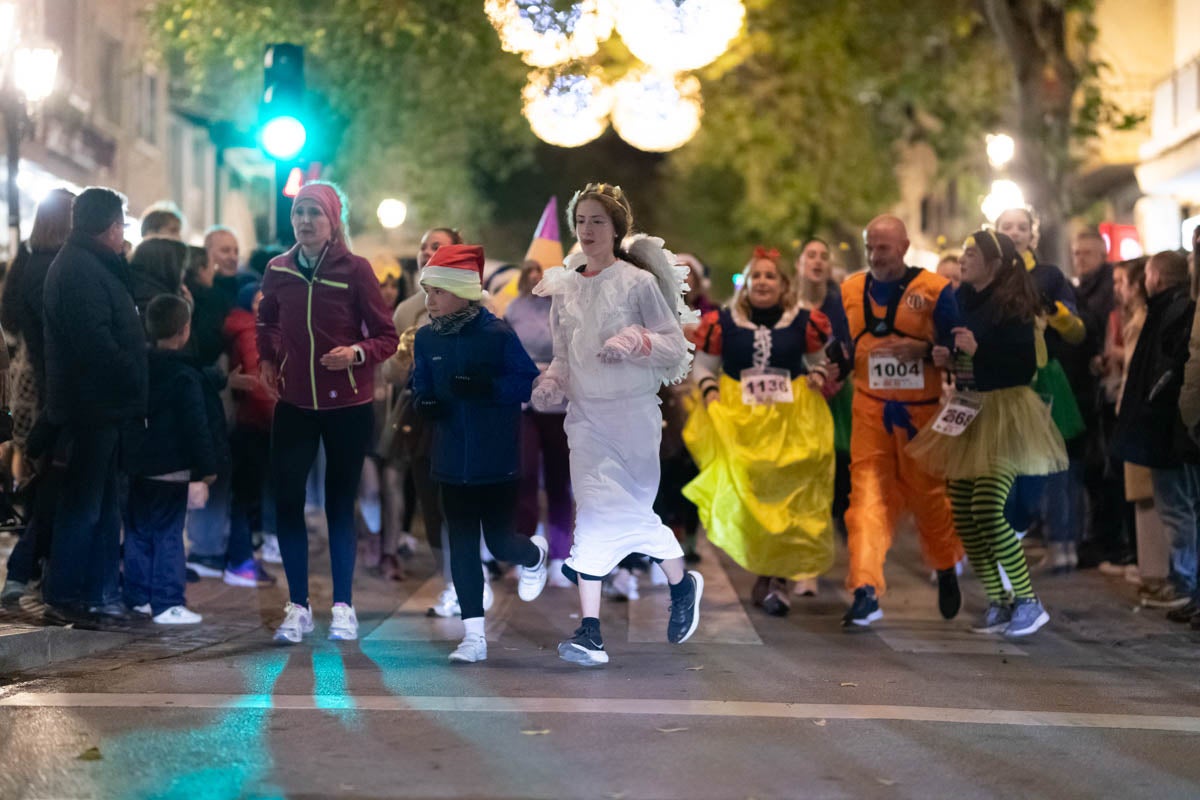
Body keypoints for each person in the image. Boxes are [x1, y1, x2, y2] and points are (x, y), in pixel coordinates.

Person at [531, 182, 702, 666]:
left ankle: (680, 581)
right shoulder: (563, 287)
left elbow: (674, 345)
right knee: (593, 510)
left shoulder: (637, 283)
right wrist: (551, 383)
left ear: (616, 228)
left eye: (597, 221)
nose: (587, 230)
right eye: (581, 221)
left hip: (633, 417)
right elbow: (563, 355)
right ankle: (590, 631)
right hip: (585, 419)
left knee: (621, 512)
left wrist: (635, 340)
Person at [257, 181, 399, 644]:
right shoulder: (277, 269)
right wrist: (268, 357)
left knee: (340, 505)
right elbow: (268, 320)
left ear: (333, 220)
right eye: (299, 213)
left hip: (348, 406)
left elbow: (386, 336)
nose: (304, 222)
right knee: (287, 503)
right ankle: (297, 606)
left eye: (314, 213)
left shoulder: (355, 269)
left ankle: (343, 607)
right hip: (295, 403)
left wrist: (355, 354)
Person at [907, 230, 1066, 637]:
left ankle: (1029, 602)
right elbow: (957, 350)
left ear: (994, 263)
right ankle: (1000, 601)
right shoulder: (961, 299)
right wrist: (941, 354)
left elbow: (1022, 366)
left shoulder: (1014, 304)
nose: (963, 259)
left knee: (989, 509)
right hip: (967, 409)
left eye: (972, 254)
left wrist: (980, 351)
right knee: (963, 512)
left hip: (1005, 412)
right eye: (964, 253)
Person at [411, 244, 547, 662]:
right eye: (427, 292)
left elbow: (527, 384)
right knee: (464, 547)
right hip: (450, 462)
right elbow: (421, 385)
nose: (430, 301)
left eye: (437, 292)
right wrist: (426, 403)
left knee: (501, 542)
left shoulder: (498, 334)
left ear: (464, 293)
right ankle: (473, 637)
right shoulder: (426, 337)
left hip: (497, 461)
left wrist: (488, 389)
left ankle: (534, 553)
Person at [685, 247, 838, 616]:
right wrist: (710, 392)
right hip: (741, 423)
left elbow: (821, 362)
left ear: (783, 283)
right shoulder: (724, 321)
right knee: (752, 499)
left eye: (771, 276)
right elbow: (704, 367)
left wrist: (818, 374)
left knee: (788, 499)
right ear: (747, 283)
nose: (763, 282)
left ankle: (776, 578)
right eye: (757, 276)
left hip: (792, 422)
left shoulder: (804, 321)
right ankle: (765, 571)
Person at [840, 214, 963, 627]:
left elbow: (955, 349)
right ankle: (865, 589)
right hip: (869, 411)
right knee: (866, 502)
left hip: (921, 415)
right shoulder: (850, 290)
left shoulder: (935, 291)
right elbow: (840, 346)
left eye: (884, 248)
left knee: (929, 498)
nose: (875, 255)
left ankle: (946, 567)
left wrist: (925, 350)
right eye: (870, 247)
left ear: (905, 247)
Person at [41, 187, 148, 622]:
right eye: (122, 224)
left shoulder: (94, 264)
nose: (124, 233)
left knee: (102, 506)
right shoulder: (81, 269)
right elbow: (95, 343)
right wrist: (131, 369)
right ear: (107, 226)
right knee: (84, 504)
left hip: (105, 406)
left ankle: (99, 592)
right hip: (92, 407)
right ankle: (68, 593)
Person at [381, 227, 472, 615]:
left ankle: (472, 576)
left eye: (438, 246)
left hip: (465, 419)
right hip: (422, 419)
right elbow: (392, 373)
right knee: (431, 506)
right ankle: (451, 583)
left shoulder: (476, 304)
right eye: (423, 248)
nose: (427, 253)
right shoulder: (406, 310)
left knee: (463, 503)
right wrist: (406, 361)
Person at [996, 207, 1088, 571]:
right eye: (1008, 227)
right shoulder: (987, 276)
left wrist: (1057, 313)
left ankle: (1062, 543)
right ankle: (1009, 547)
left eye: (1022, 227)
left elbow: (1077, 331)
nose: (1015, 232)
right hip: (999, 383)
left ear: (1033, 235)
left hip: (1042, 380)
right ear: (995, 232)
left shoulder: (1048, 276)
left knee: (1053, 464)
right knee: (1007, 468)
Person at [123, 295, 218, 624]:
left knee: (137, 532)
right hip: (172, 467)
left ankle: (138, 597)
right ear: (185, 330)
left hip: (137, 465)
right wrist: (207, 469)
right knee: (168, 534)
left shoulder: (138, 367)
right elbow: (197, 426)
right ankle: (167, 602)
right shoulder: (184, 376)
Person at [1114, 251, 1199, 619]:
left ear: (1157, 278)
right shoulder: (1174, 308)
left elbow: (1172, 371)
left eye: (1147, 274)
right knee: (1182, 507)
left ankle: (1184, 583)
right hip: (1172, 425)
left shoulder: (1173, 310)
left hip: (1170, 428)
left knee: (1177, 508)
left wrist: (1155, 406)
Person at [0, 188, 73, 602]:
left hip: (28, 381)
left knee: (35, 473)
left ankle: (27, 568)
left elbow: (9, 317)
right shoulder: (63, 267)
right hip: (54, 384)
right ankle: (30, 568)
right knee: (56, 480)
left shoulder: (24, 261)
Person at [505, 259, 574, 585]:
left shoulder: (565, 308)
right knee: (526, 477)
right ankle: (527, 553)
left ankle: (561, 554)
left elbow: (575, 350)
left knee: (560, 481)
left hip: (560, 405)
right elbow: (504, 351)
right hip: (525, 405)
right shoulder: (513, 309)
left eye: (540, 273)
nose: (534, 278)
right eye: (529, 272)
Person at [797, 237, 853, 560]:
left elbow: (853, 345)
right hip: (797, 398)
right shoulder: (788, 302)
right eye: (811, 255)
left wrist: (838, 375)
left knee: (837, 466)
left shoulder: (840, 304)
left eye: (823, 256)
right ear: (800, 263)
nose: (817, 261)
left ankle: (836, 533)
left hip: (836, 397)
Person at [223, 281, 278, 587]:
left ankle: (244, 558)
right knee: (247, 495)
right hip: (257, 423)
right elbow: (260, 382)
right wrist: (279, 414)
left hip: (255, 422)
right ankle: (241, 562)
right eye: (260, 301)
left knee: (249, 494)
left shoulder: (253, 328)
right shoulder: (252, 332)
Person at [128, 238, 188, 318]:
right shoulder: (159, 304)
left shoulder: (138, 290)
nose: (184, 274)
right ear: (168, 266)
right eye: (182, 267)